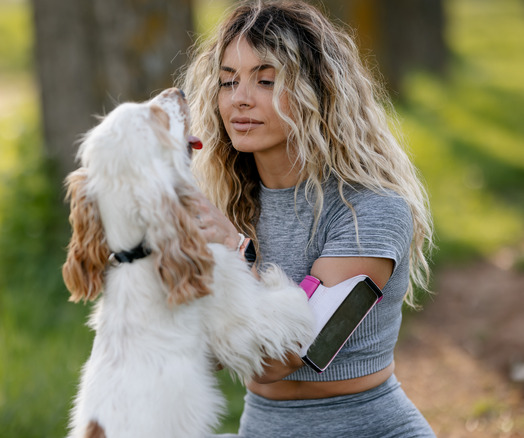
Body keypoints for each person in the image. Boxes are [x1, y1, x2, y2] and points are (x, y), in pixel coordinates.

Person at [177, 1, 436, 436]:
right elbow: (198, 352)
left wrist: (232, 254)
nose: (240, 98)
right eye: (227, 81)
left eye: (266, 80)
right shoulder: (223, 205)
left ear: (318, 91)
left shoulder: (373, 211)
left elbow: (286, 355)